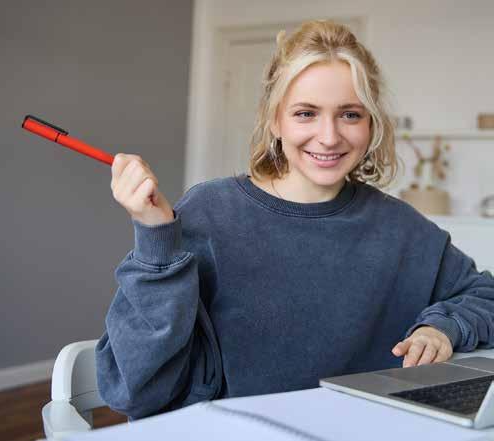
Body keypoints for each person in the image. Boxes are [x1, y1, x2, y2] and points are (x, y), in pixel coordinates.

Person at [95, 20, 494, 420]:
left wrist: (442, 327)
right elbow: (131, 388)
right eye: (306, 113)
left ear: (371, 123)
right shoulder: (211, 211)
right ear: (275, 120)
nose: (329, 136)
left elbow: (484, 295)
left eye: (350, 114)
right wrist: (156, 238)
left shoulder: (401, 228)